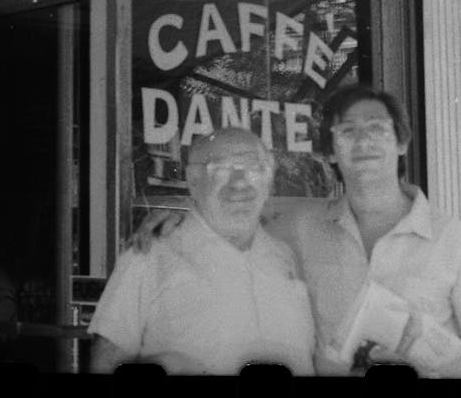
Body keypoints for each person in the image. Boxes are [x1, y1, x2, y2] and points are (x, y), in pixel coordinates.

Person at [136, 84, 461, 378]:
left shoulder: (457, 240)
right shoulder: (298, 227)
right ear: (331, 151)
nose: (363, 141)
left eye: (377, 129)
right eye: (347, 131)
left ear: (401, 143)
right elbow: (231, 212)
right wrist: (185, 214)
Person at [88, 127, 315, 375]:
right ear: (193, 181)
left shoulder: (286, 257)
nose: (239, 182)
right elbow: (106, 363)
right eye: (221, 168)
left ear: (269, 179)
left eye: (252, 167)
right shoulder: (149, 255)